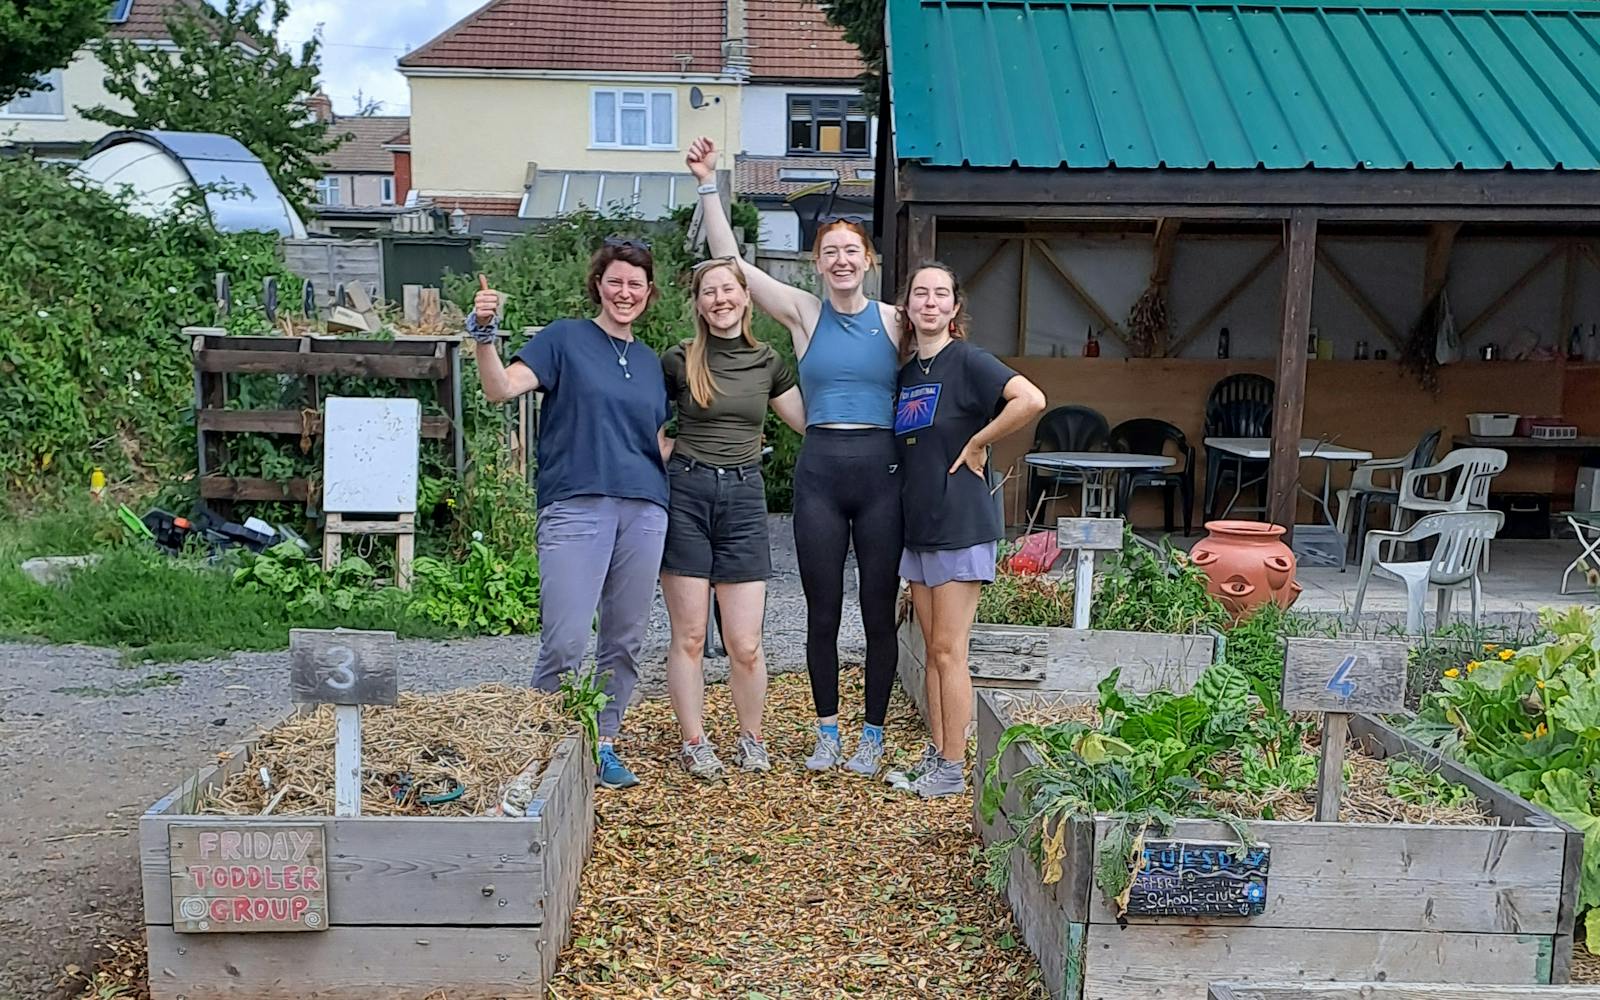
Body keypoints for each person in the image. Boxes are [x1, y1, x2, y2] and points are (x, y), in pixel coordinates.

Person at [687, 136, 903, 777]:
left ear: (868, 260)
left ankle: (873, 734)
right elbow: (729, 265)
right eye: (829, 252)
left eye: (851, 252)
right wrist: (707, 184)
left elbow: (945, 367)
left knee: (877, 606)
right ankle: (827, 731)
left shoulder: (895, 320)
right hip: (821, 471)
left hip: (882, 471)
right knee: (823, 608)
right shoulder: (805, 314)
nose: (841, 261)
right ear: (816, 263)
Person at [466, 241, 671, 791]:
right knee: (566, 639)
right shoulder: (564, 339)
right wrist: (483, 335)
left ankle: (602, 743)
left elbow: (658, 440)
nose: (625, 292)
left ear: (649, 294)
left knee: (625, 641)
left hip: (646, 510)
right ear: (598, 284)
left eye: (636, 284)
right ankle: (543, 748)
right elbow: (499, 389)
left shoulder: (652, 363)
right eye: (616, 281)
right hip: (577, 505)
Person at [885, 262, 1045, 797]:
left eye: (940, 295)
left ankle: (955, 768)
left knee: (951, 650)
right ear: (907, 307)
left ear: (955, 309)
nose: (929, 303)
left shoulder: (969, 361)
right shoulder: (908, 375)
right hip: (919, 526)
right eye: (919, 294)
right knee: (931, 649)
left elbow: (1031, 399)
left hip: (960, 523)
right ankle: (938, 757)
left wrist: (979, 442)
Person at [660, 258, 807, 780]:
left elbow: (810, 423)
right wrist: (668, 452)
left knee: (745, 643)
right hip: (688, 495)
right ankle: (695, 740)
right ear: (698, 304)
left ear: (746, 298)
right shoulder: (679, 359)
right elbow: (644, 420)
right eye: (709, 292)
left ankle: (752, 737)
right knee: (691, 637)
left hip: (744, 498)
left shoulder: (768, 361)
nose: (720, 299)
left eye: (729, 290)